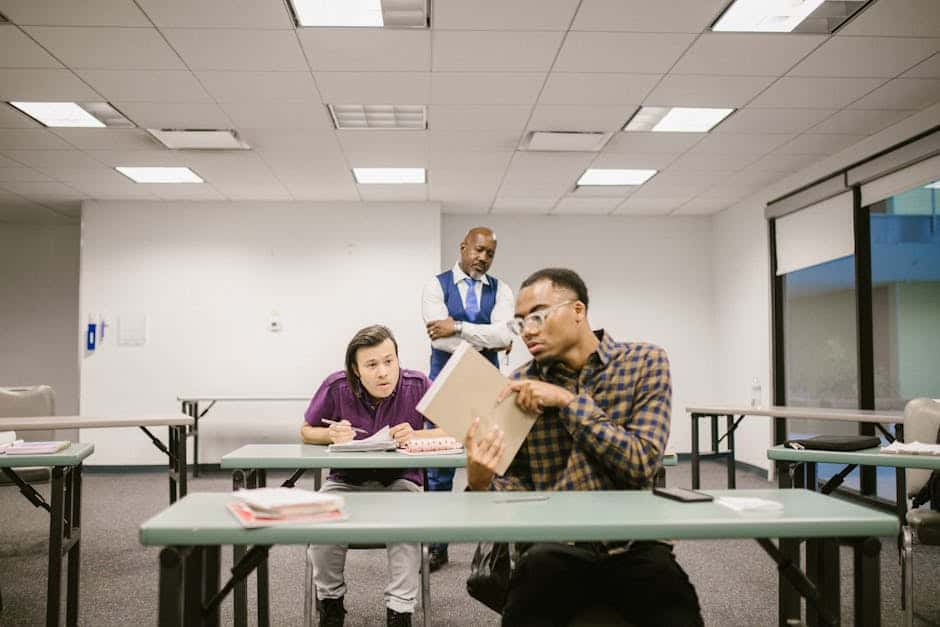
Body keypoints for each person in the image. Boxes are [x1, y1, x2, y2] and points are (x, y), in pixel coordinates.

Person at [464, 268, 704, 627]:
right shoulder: (517, 385)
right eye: (519, 323)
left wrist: (566, 401)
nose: (528, 330)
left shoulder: (645, 363)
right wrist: (482, 481)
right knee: (526, 604)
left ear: (578, 311)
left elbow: (641, 461)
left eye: (538, 316)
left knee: (677, 614)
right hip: (553, 546)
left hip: (635, 544)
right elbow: (517, 485)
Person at [300, 325, 438, 627]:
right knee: (321, 526)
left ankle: (400, 612)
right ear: (356, 369)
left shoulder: (417, 384)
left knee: (407, 528)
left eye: (389, 361)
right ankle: (330, 602)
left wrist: (416, 435)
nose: (383, 373)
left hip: (401, 481)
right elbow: (306, 431)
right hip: (345, 481)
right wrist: (330, 434)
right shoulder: (336, 386)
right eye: (372, 365)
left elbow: (454, 427)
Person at [420, 226, 514, 572]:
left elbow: (505, 333)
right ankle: (437, 545)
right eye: (478, 250)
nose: (483, 258)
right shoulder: (436, 285)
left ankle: (491, 544)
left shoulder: (501, 288)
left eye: (489, 253)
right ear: (463, 248)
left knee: (492, 464)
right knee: (439, 470)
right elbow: (437, 339)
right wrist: (488, 337)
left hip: (487, 385)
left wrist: (457, 327)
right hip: (445, 383)